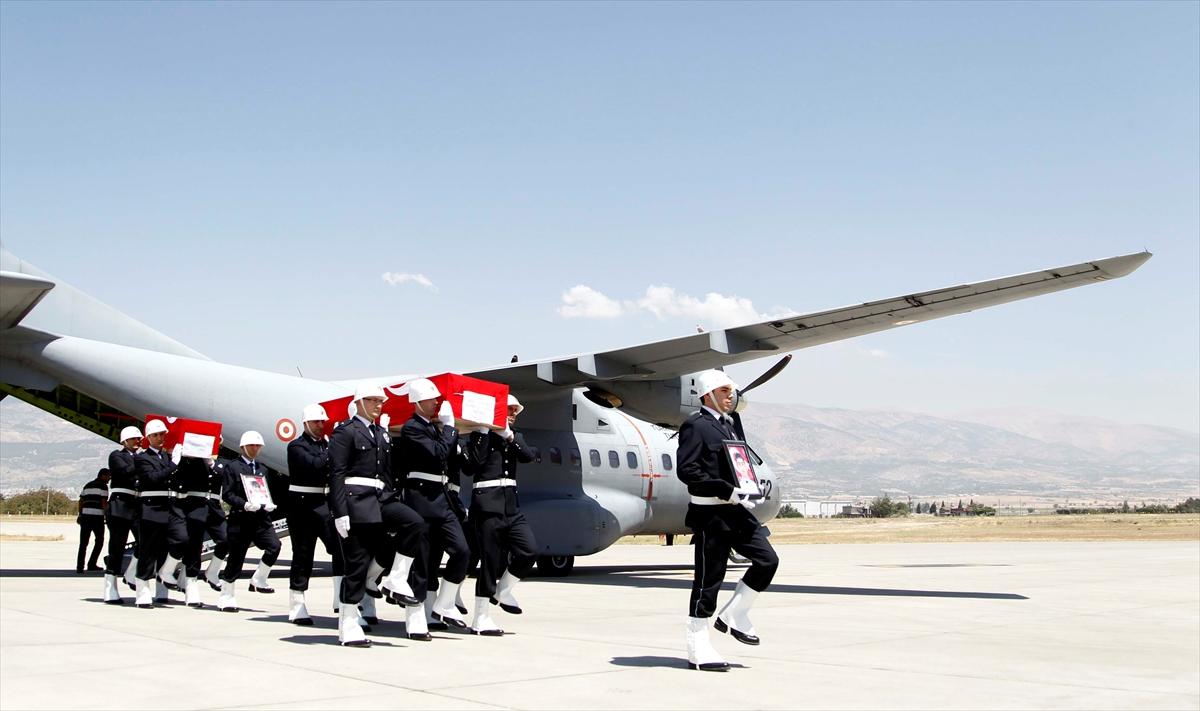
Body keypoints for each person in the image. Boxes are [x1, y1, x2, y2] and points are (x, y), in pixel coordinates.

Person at [675, 369, 779, 671]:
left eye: (731, 391)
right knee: (709, 580)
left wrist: (747, 489)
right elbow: (688, 471)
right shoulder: (696, 425)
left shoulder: (731, 425)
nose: (730, 395)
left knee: (767, 560)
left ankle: (735, 614)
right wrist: (726, 489)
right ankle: (698, 646)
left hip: (736, 509)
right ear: (707, 394)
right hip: (711, 514)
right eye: (723, 391)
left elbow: (739, 462)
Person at [329, 383, 426, 647]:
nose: (377, 405)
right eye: (372, 400)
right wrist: (340, 511)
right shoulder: (345, 432)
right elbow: (337, 474)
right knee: (357, 563)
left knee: (414, 523)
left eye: (380, 401)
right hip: (356, 502)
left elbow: (385, 473)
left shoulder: (380, 434)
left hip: (381, 499)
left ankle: (395, 578)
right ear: (359, 402)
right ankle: (348, 622)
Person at [395, 378, 471, 636]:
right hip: (421, 500)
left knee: (461, 551)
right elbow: (436, 454)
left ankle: (444, 603)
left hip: (443, 498)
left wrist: (455, 436)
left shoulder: (436, 429)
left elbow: (453, 461)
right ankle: (415, 617)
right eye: (431, 399)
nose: (436, 402)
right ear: (417, 402)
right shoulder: (412, 429)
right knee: (422, 563)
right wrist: (450, 429)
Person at [465, 394, 538, 636]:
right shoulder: (480, 435)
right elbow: (472, 465)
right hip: (487, 506)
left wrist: (508, 435)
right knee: (490, 562)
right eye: (509, 409)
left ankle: (503, 590)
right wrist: (485, 433)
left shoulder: (515, 437)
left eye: (516, 410)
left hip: (511, 507)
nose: (513, 413)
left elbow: (527, 456)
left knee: (528, 550)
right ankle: (481, 617)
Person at [285, 403, 345, 626]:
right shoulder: (296, 446)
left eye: (323, 422)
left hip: (323, 503)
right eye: (316, 422)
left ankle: (340, 597)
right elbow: (315, 466)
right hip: (301, 506)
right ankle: (297, 604)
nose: (321, 426)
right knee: (303, 554)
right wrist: (334, 447)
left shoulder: (326, 444)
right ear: (306, 423)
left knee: (339, 547)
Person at [216, 431, 281, 612]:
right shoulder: (233, 467)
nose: (255, 449)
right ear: (243, 447)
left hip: (260, 518)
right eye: (252, 445)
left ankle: (259, 578)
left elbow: (265, 490)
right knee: (236, 558)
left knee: (274, 546)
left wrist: (268, 504)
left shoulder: (263, 469)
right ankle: (226, 595)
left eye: (258, 446)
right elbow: (227, 493)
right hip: (241, 518)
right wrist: (244, 504)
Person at [132, 419, 184, 608]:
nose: (160, 438)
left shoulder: (166, 457)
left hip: (169, 507)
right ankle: (142, 589)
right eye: (156, 435)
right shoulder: (142, 458)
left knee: (181, 539)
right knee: (148, 550)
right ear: (148, 437)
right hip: (151, 507)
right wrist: (174, 464)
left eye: (162, 434)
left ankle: (166, 571)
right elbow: (153, 478)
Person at [103, 426, 142, 604]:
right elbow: (124, 472)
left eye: (139, 439)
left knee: (145, 542)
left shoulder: (140, 457)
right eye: (134, 439)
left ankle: (130, 573)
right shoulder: (117, 456)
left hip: (136, 504)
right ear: (125, 441)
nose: (137, 442)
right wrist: (142, 460)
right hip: (119, 504)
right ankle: (110, 587)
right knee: (116, 546)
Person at [76, 468, 108, 574]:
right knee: (99, 541)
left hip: (85, 517)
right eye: (108, 476)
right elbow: (104, 503)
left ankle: (80, 566)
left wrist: (80, 514)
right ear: (103, 476)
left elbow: (81, 501)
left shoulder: (87, 485)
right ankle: (92, 563)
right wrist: (107, 515)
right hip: (97, 518)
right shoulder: (103, 486)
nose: (109, 479)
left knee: (83, 543)